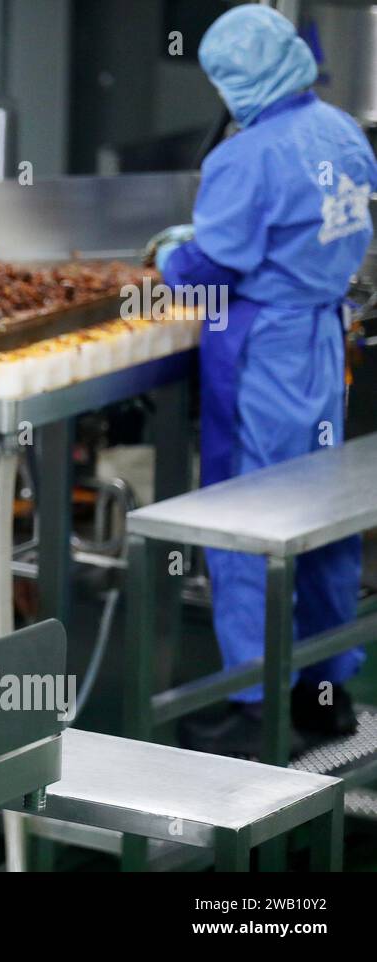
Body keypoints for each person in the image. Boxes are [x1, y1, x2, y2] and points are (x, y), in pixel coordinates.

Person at [149, 4, 377, 757]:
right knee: (322, 519)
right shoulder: (344, 133)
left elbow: (215, 267)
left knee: (250, 517)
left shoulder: (245, 158)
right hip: (321, 339)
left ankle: (251, 709)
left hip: (266, 351)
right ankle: (326, 690)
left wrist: (171, 259)